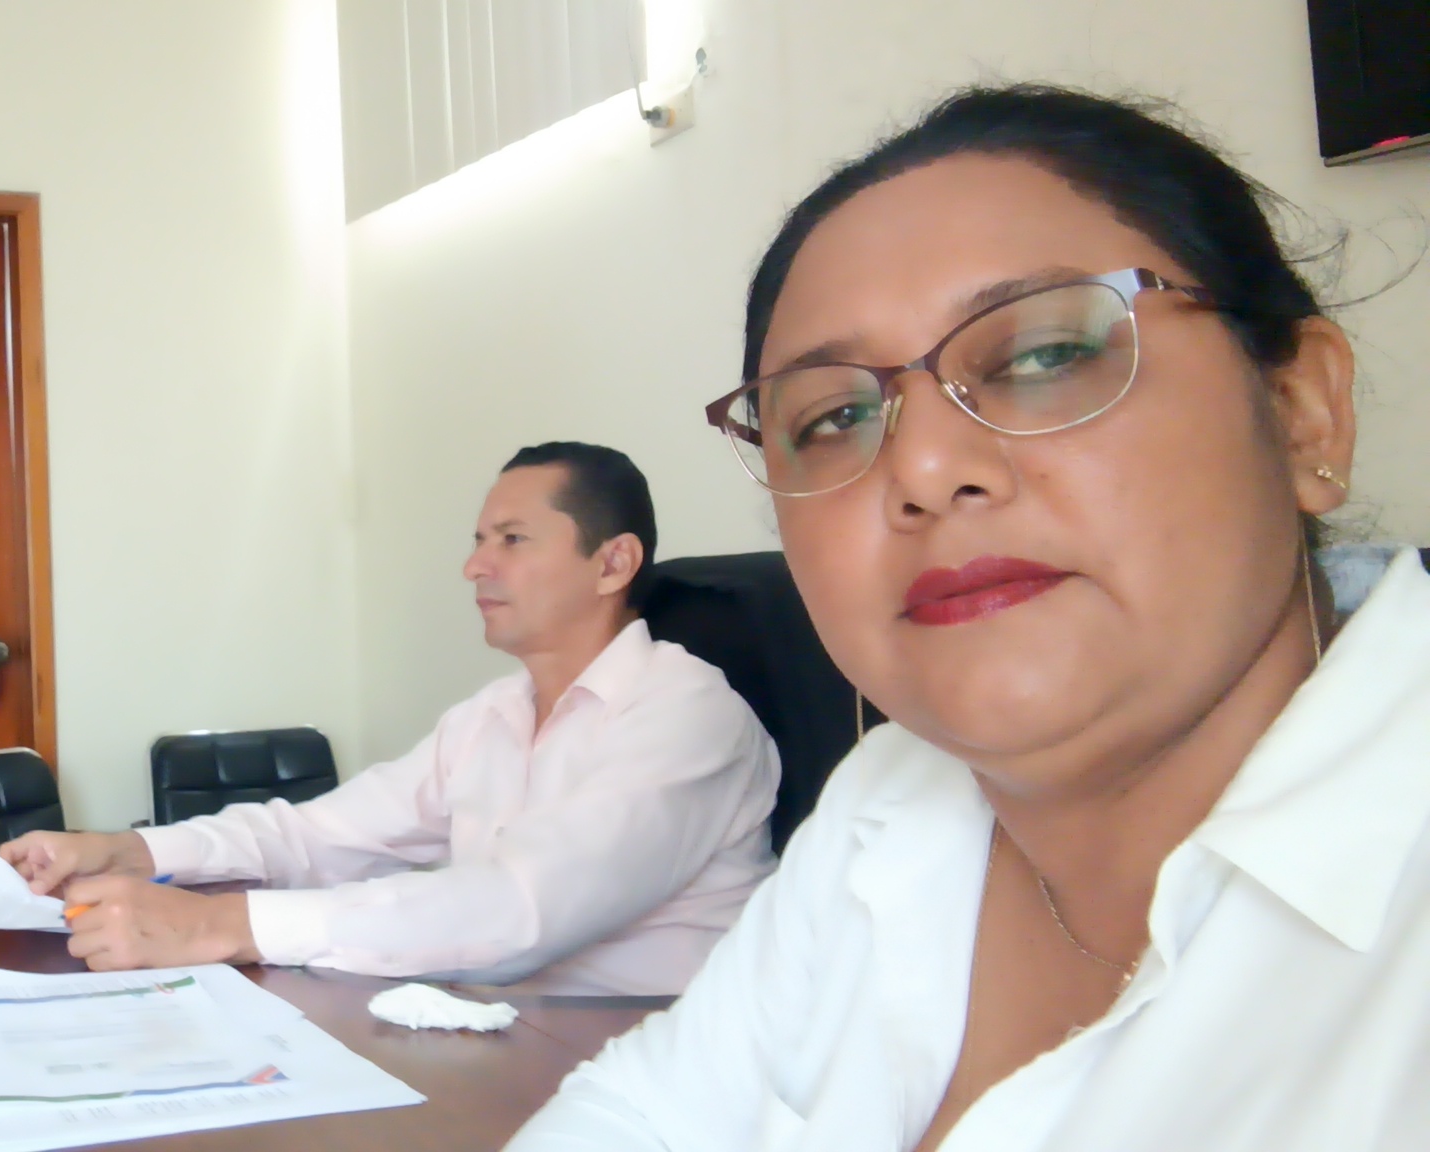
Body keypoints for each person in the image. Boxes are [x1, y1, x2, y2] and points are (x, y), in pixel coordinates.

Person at [510, 85, 1429, 1151]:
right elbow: (640, 1117)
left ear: (1303, 412)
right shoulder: (886, 803)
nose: (923, 468)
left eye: (1044, 355)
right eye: (835, 417)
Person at [3, 443, 779, 994]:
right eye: (478, 542)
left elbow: (522, 909)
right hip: (507, 1038)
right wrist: (128, 850)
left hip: (650, 1059)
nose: (475, 566)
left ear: (613, 563)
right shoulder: (490, 716)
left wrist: (221, 924)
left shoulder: (686, 712)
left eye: (512, 540)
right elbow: (318, 836)